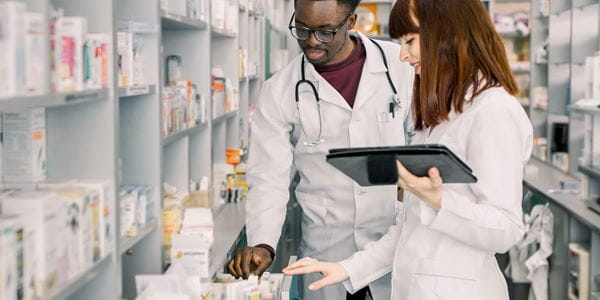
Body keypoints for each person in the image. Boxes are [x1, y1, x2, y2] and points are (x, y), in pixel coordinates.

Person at [283, 0, 534, 299]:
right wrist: (347, 269)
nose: (403, 55)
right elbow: (408, 230)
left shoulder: (492, 111)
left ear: (450, 33)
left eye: (410, 41)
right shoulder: (443, 115)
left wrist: (438, 200)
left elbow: (506, 229)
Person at [226, 0, 415, 298]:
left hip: (393, 238)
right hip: (327, 246)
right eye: (302, 29)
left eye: (325, 32)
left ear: (351, 22)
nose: (311, 42)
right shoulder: (279, 90)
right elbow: (268, 177)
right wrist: (263, 243)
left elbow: (423, 140)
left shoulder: (401, 65)